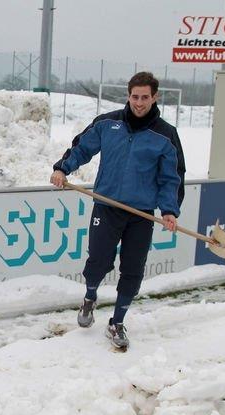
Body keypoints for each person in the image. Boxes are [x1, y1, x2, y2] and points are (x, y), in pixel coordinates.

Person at [50, 72, 186, 350]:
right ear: (128, 95)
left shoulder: (165, 135)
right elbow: (82, 148)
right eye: (135, 97)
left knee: (133, 269)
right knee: (98, 261)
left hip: (141, 214)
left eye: (145, 97)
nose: (139, 103)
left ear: (155, 97)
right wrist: (62, 168)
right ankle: (89, 297)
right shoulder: (107, 123)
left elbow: (171, 177)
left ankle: (117, 321)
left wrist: (169, 210)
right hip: (107, 206)